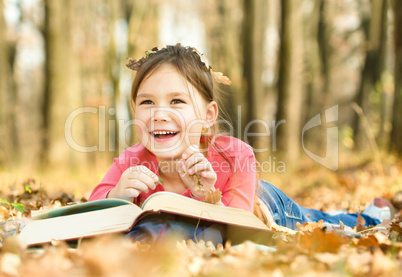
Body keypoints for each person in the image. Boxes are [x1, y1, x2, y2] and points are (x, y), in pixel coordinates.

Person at [88, 44, 393, 245]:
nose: (159, 114)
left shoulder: (235, 155)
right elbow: (93, 208)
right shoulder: (131, 161)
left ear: (207, 116)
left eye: (177, 101)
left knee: (318, 222)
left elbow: (241, 228)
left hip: (267, 207)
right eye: (147, 102)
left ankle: (368, 218)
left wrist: (208, 198)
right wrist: (117, 195)